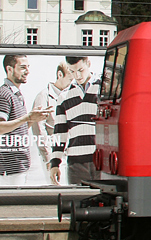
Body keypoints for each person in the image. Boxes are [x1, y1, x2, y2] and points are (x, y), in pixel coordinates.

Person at [0, 55, 52, 187]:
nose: (27, 71)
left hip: (17, 167)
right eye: (23, 67)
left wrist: (33, 119)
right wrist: (28, 118)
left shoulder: (16, 94)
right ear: (9, 69)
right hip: (8, 169)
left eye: (28, 67)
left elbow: (16, 128)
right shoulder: (4, 95)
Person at [51, 56, 100, 186]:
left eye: (80, 70)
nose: (77, 75)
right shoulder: (63, 97)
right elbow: (59, 132)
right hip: (75, 163)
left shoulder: (104, 89)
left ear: (88, 64)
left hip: (102, 160)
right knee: (77, 202)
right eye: (72, 71)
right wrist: (55, 163)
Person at [32, 63, 72, 185]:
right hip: (52, 153)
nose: (72, 82)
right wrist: (49, 157)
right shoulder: (43, 96)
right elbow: (39, 128)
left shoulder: (69, 94)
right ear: (60, 75)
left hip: (67, 153)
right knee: (56, 187)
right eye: (70, 79)